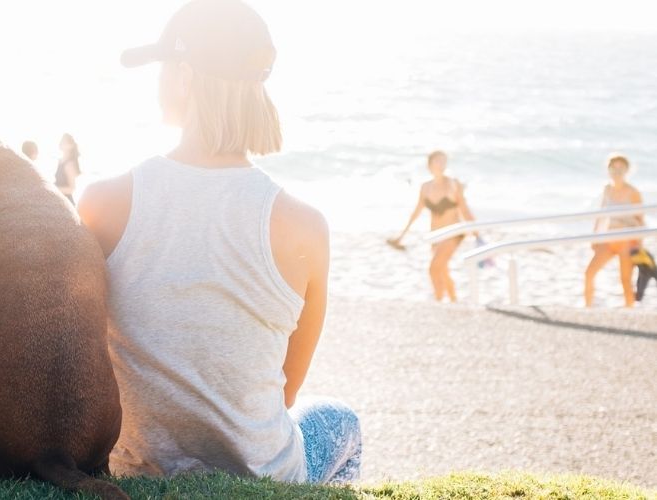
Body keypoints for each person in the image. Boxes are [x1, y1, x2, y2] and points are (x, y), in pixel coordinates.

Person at [78, 0, 360, 484]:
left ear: (184, 75)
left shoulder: (104, 202)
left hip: (135, 470)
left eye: (164, 67)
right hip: (262, 475)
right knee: (342, 421)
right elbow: (285, 393)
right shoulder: (305, 227)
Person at [388, 151, 475, 303]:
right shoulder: (425, 187)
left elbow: (464, 209)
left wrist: (477, 232)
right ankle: (454, 301)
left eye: (444, 161)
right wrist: (401, 236)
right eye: (438, 161)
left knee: (433, 268)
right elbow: (416, 212)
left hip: (453, 233)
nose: (442, 165)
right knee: (442, 270)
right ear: (430, 164)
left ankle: (438, 302)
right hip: (435, 235)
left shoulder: (454, 184)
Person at [584, 154, 644, 308]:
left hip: (626, 241)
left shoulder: (634, 192)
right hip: (609, 239)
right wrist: (595, 237)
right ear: (608, 170)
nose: (617, 171)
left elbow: (640, 221)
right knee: (589, 273)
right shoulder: (607, 189)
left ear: (626, 170)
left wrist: (639, 245)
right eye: (613, 168)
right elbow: (601, 214)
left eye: (620, 168)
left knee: (625, 280)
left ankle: (630, 313)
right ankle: (587, 310)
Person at [54, 133, 81, 204]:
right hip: (59, 199)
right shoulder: (60, 161)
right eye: (62, 142)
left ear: (71, 146)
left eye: (65, 143)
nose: (62, 144)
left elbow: (71, 189)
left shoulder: (70, 164)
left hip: (66, 202)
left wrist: (55, 189)